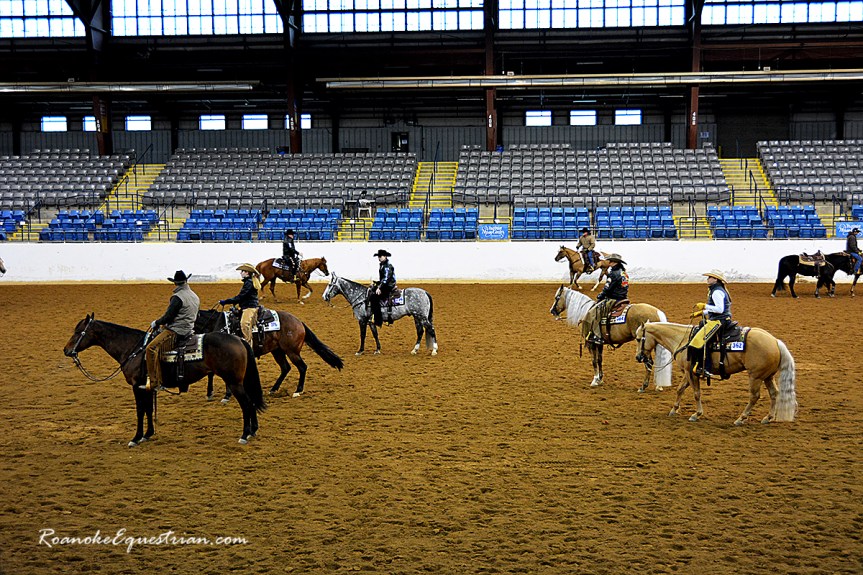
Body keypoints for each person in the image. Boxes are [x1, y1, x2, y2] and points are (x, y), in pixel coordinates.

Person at [142, 270, 200, 391]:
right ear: (186, 281)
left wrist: (156, 322)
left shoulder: (177, 297)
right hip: (189, 330)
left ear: (175, 283)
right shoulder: (195, 296)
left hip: (176, 331)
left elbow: (168, 317)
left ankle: (154, 382)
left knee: (151, 348)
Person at [687, 270, 732, 377]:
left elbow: (720, 309)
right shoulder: (717, 290)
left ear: (715, 279)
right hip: (721, 319)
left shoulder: (716, 292)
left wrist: (705, 306)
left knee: (698, 341)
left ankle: (705, 368)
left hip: (719, 321)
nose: (707, 279)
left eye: (710, 277)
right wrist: (703, 312)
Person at [581, 254, 628, 344]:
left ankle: (597, 336)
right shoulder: (623, 272)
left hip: (613, 299)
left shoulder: (613, 273)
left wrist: (600, 296)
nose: (609, 262)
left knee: (592, 313)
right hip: (623, 298)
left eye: (610, 261)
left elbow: (607, 288)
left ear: (614, 262)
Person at [219, 263, 261, 347]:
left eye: (242, 271)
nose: (240, 273)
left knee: (244, 324)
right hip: (248, 305)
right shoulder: (249, 282)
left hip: (249, 307)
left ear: (247, 273)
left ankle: (248, 344)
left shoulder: (248, 283)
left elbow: (241, 296)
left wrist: (226, 301)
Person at [370, 249, 396, 327]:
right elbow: (383, 279)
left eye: (380, 256)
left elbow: (386, 279)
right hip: (385, 284)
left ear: (385, 256)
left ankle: (378, 320)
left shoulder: (387, 266)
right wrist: (376, 283)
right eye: (378, 256)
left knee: (374, 298)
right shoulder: (383, 265)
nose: (379, 258)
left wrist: (379, 287)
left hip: (388, 286)